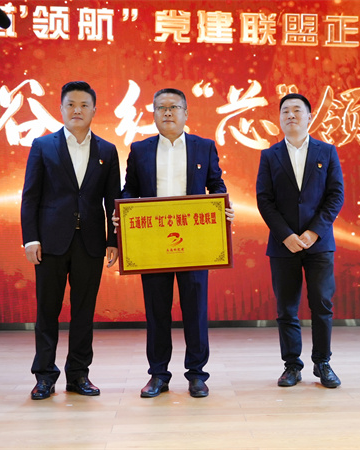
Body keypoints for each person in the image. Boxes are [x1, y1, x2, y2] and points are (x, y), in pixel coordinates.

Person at [119, 88, 234, 398]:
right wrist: (123, 212)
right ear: (153, 114)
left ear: (186, 113)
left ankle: (197, 374)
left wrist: (223, 206)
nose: (167, 112)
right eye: (161, 108)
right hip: (153, 246)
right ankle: (158, 375)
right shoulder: (140, 150)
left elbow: (216, 185)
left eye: (173, 107)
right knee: (157, 311)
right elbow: (130, 191)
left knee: (195, 310)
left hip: (194, 244)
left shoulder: (203, 147)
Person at [21, 81, 121, 400]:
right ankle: (44, 376)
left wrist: (113, 240)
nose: (77, 110)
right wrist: (30, 238)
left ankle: (78, 375)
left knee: (84, 312)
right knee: (47, 311)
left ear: (94, 110)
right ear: (61, 109)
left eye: (83, 105)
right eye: (71, 104)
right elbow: (30, 196)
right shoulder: (43, 146)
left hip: (90, 244)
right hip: (50, 242)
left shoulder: (107, 150)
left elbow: (113, 200)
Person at [256, 93, 344, 388]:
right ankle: (292, 366)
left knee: (322, 304)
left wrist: (313, 232)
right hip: (284, 245)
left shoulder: (327, 152)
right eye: (285, 111)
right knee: (286, 309)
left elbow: (336, 196)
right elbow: (264, 200)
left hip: (319, 243)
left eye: (297, 110)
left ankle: (323, 363)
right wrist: (286, 235)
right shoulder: (269, 156)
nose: (290, 115)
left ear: (309, 117)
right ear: (280, 118)